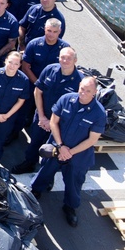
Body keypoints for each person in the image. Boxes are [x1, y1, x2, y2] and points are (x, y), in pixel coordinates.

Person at [30, 76, 106, 227]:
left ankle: (70, 207)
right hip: (57, 147)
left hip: (78, 155)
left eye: (88, 91)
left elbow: (92, 140)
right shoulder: (66, 99)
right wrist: (60, 146)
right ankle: (36, 191)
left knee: (74, 183)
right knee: (45, 171)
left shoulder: (99, 113)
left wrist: (69, 152)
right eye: (82, 89)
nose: (83, 93)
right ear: (79, 86)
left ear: (95, 92)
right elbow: (53, 122)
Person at [12, 47, 84, 175]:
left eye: (69, 58)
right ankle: (29, 163)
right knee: (34, 142)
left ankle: (46, 175)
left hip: (60, 124)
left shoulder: (80, 81)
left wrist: (53, 123)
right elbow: (38, 92)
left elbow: (77, 108)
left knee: (54, 150)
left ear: (75, 60)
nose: (65, 60)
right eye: (62, 57)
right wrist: (41, 116)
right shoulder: (50, 70)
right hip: (42, 117)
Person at [22, 18, 70, 84]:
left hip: (53, 86)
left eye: (55, 32)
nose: (51, 34)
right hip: (32, 82)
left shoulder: (65, 48)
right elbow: (25, 67)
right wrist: (37, 84)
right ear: (44, 29)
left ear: (60, 31)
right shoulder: (33, 44)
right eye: (49, 30)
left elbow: (68, 68)